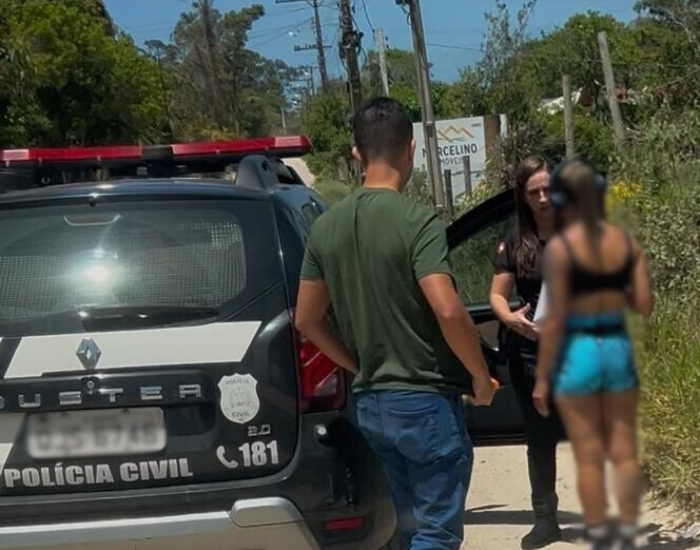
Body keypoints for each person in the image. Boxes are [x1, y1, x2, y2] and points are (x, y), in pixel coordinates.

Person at [294, 96, 496, 550]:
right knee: (436, 533)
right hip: (425, 401)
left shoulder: (325, 228)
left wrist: (356, 365)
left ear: (357, 154)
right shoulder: (417, 222)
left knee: (406, 529)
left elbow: (307, 318)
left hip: (371, 404)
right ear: (411, 149)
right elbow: (448, 309)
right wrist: (480, 378)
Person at [532, 158, 653, 550]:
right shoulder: (626, 243)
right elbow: (644, 305)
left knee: (587, 455)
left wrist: (542, 379)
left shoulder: (560, 250)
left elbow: (552, 321)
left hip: (578, 352)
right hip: (616, 347)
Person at [489, 156, 567, 549]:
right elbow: (496, 295)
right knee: (539, 438)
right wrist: (510, 318)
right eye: (533, 192)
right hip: (530, 351)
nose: (543, 198)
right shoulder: (516, 239)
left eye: (547, 189)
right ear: (523, 196)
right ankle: (545, 519)